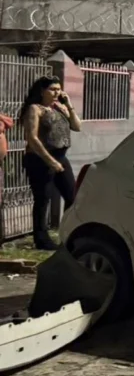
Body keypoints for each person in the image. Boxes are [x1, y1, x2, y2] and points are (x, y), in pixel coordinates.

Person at [20, 76, 82, 249]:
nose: (57, 92)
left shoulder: (60, 108)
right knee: (43, 199)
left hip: (61, 157)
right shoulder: (35, 109)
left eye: (59, 89)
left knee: (72, 196)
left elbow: (77, 126)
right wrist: (50, 161)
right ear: (42, 91)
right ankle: (41, 239)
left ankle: (68, 233)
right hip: (39, 159)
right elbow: (32, 138)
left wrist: (68, 104)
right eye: (52, 89)